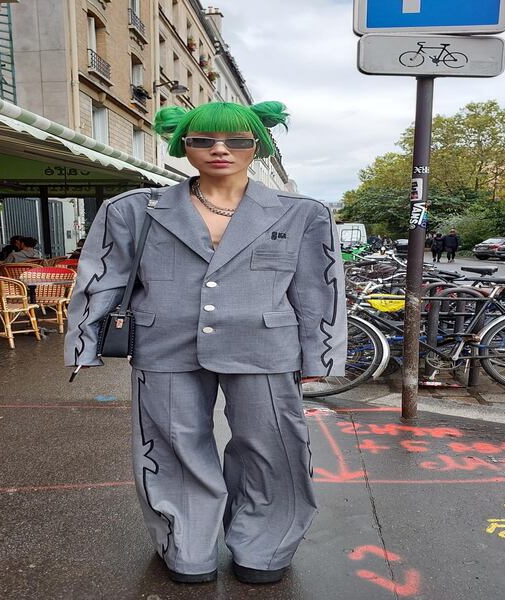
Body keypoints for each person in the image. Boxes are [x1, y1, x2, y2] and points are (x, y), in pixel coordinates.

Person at [65, 101, 346, 585]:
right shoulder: (134, 209)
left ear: (257, 144)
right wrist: (83, 344)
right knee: (172, 448)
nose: (220, 149)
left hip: (266, 349)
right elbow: (101, 277)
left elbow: (319, 287)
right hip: (163, 346)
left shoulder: (303, 213)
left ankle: (265, 548)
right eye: (204, 140)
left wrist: (319, 355)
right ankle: (186, 548)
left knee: (273, 448)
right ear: (182, 145)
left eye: (236, 140)